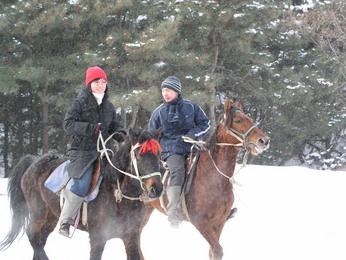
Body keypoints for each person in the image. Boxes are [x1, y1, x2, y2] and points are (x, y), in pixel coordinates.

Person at [59, 66, 126, 237]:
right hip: (82, 152)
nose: (101, 85)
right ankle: (65, 221)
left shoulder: (108, 106)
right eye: (97, 82)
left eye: (103, 82)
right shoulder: (79, 103)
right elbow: (68, 125)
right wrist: (90, 128)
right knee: (82, 184)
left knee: (120, 177)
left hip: (104, 152)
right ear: (89, 84)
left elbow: (113, 125)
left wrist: (120, 134)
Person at [148, 76, 210, 228]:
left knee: (210, 166)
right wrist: (159, 153)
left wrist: (193, 134)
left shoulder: (192, 107)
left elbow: (205, 124)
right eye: (163, 91)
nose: (165, 94)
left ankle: (220, 206)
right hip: (170, 150)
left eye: (168, 90)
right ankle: (174, 211)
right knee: (177, 170)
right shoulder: (158, 112)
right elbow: (151, 136)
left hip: (193, 146)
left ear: (177, 91)